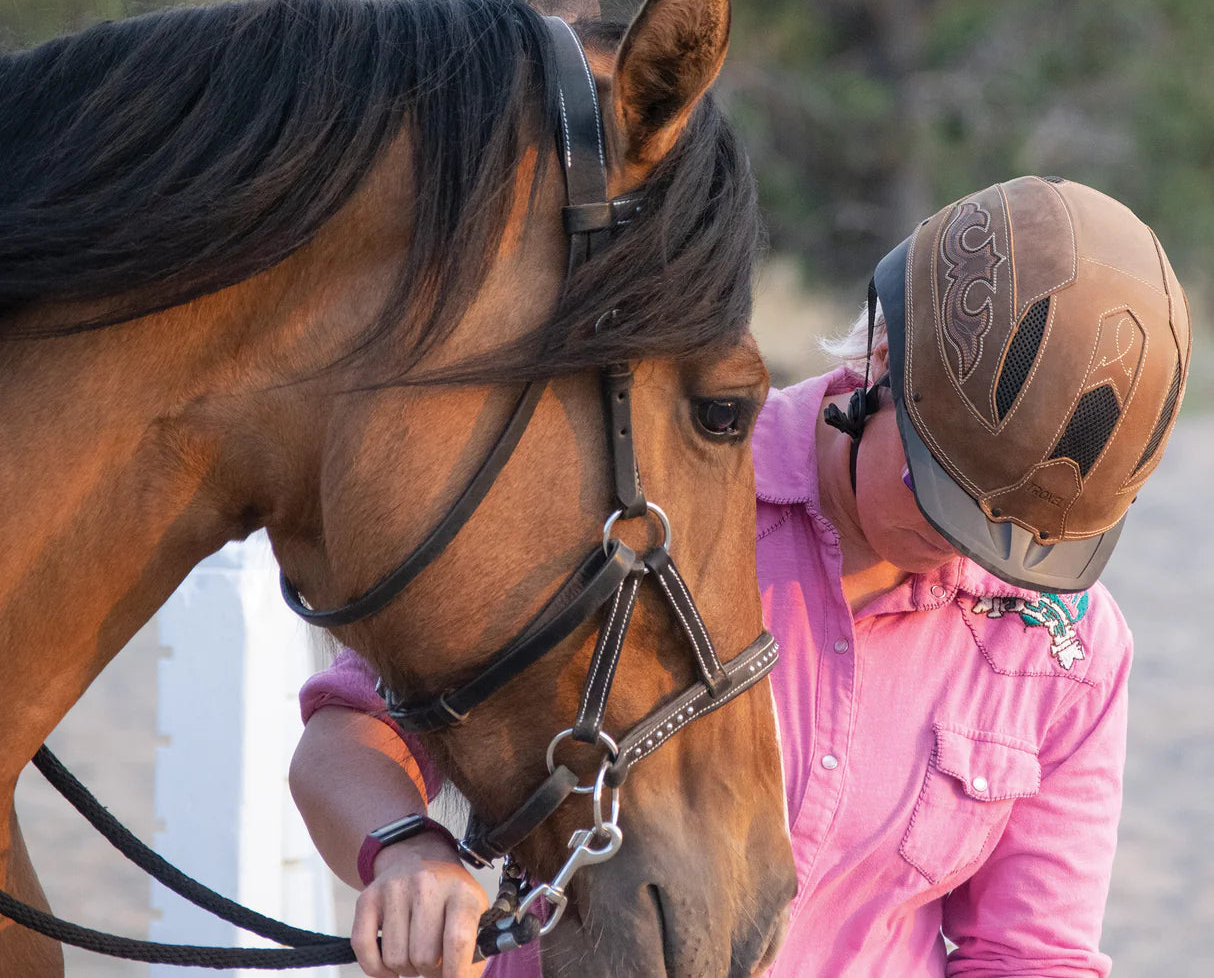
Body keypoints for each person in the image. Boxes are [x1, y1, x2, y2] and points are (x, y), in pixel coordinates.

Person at [290, 175, 1191, 977]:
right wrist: (406, 851)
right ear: (882, 363)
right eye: (943, 492)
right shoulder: (637, 503)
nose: (970, 554)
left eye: (1021, 536)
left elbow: (1031, 956)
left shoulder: (1065, 648)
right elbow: (354, 734)